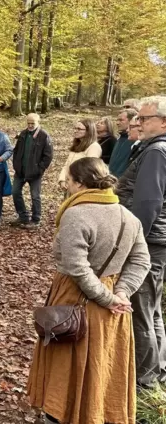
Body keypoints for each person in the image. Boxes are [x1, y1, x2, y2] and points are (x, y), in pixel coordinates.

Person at [27, 157, 149, 424]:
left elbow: (77, 268)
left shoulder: (76, 213)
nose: (66, 186)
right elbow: (141, 261)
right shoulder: (129, 217)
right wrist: (121, 293)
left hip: (76, 298)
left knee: (68, 361)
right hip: (115, 304)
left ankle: (59, 415)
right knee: (101, 361)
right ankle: (92, 414)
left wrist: (109, 298)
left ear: (80, 184)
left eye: (68, 181)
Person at [115, 96, 166, 389]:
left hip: (147, 242)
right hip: (154, 240)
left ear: (163, 121)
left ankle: (145, 382)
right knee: (153, 309)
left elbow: (148, 202)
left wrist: (132, 244)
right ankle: (156, 372)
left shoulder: (157, 152)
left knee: (143, 311)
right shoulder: (154, 149)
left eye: (145, 119)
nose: (139, 123)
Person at [11, 113, 53, 229]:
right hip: (20, 171)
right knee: (15, 192)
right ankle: (23, 216)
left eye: (32, 123)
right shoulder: (23, 134)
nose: (30, 125)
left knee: (35, 195)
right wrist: (16, 165)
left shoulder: (44, 136)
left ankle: (36, 219)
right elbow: (17, 150)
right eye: (28, 123)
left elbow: (48, 156)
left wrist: (40, 169)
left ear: (38, 122)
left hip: (35, 172)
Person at [58, 118, 101, 190]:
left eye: (79, 129)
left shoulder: (94, 147)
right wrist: (62, 180)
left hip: (80, 187)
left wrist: (77, 184)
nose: (75, 131)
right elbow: (67, 164)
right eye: (75, 128)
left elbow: (89, 169)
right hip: (70, 184)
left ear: (88, 131)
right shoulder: (77, 145)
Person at [109, 109, 139, 177]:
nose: (117, 123)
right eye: (117, 120)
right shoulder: (120, 138)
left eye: (121, 120)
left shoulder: (135, 141)